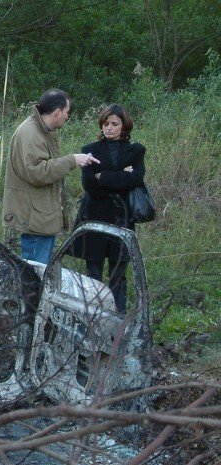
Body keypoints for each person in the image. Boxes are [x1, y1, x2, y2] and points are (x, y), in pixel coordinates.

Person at [2, 89, 100, 264]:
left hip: (40, 218)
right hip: (35, 221)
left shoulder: (40, 131)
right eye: (67, 113)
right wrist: (72, 160)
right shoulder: (30, 133)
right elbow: (38, 172)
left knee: (39, 272)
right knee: (33, 274)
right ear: (57, 112)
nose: (67, 117)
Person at [69, 104, 146, 313]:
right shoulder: (89, 150)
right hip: (94, 215)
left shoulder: (135, 150)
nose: (109, 128)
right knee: (92, 270)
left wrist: (103, 175)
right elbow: (89, 185)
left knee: (118, 271)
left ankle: (118, 316)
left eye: (114, 123)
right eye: (106, 123)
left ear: (124, 126)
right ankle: (90, 313)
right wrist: (122, 174)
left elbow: (136, 179)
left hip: (122, 217)